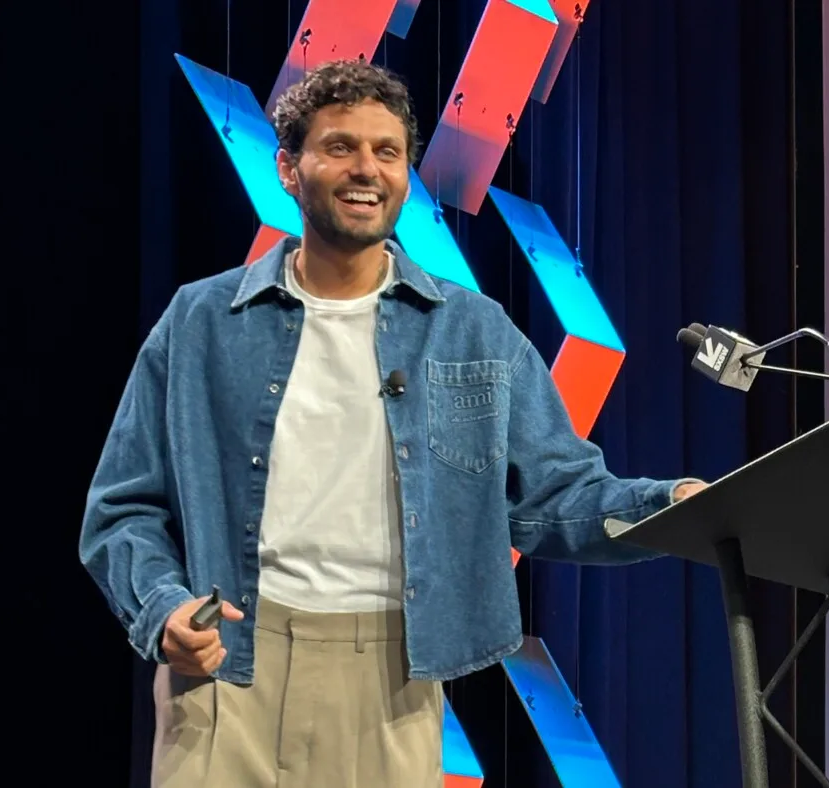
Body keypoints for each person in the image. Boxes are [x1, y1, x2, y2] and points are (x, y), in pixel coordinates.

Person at [79, 58, 705, 787]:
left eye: (387, 152)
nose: (366, 169)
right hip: (230, 669)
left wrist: (674, 508)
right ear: (288, 168)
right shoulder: (201, 320)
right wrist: (163, 611)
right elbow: (122, 507)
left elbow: (553, 498)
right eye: (340, 146)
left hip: (393, 682)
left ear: (406, 176)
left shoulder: (472, 329)